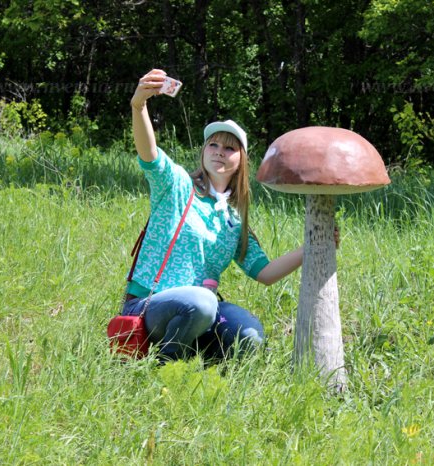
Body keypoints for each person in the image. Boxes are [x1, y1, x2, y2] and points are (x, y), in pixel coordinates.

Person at [123, 68, 335, 361]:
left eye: (230, 147)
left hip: (199, 311)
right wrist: (139, 106)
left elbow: (265, 273)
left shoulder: (233, 221)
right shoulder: (177, 186)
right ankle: (165, 364)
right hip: (148, 306)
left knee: (249, 335)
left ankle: (203, 366)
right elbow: (150, 154)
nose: (220, 151)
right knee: (203, 303)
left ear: (241, 161)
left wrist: (314, 245)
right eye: (213, 144)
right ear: (203, 151)